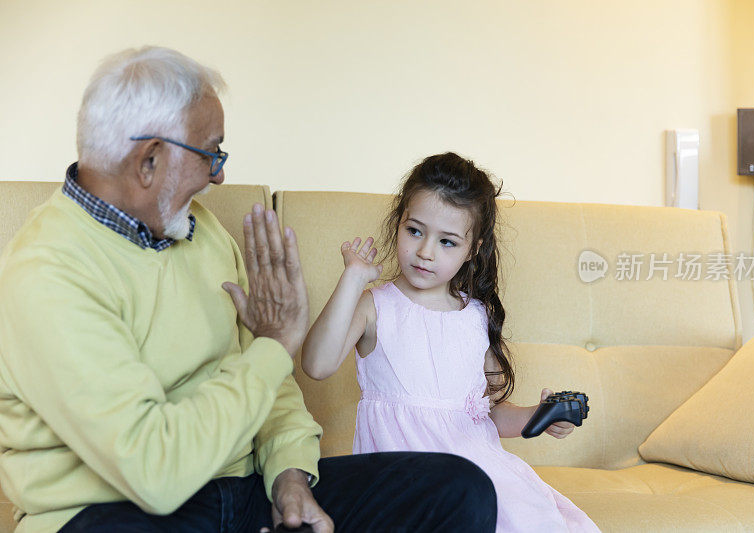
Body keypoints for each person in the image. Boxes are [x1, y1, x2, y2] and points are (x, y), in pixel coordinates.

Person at [0, 47, 498, 533]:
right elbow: (154, 472)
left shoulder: (203, 232)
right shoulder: (48, 273)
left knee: (459, 488)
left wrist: (289, 476)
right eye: (211, 153)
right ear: (149, 161)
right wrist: (274, 345)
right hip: (115, 510)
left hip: (243, 492)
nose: (220, 173)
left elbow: (273, 388)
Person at [301, 152, 600, 532]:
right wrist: (353, 279)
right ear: (398, 223)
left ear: (472, 250)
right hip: (404, 481)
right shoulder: (375, 306)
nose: (425, 252)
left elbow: (485, 412)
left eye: (447, 242)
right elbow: (316, 365)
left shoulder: (476, 317)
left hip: (476, 470)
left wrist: (535, 417)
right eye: (415, 231)